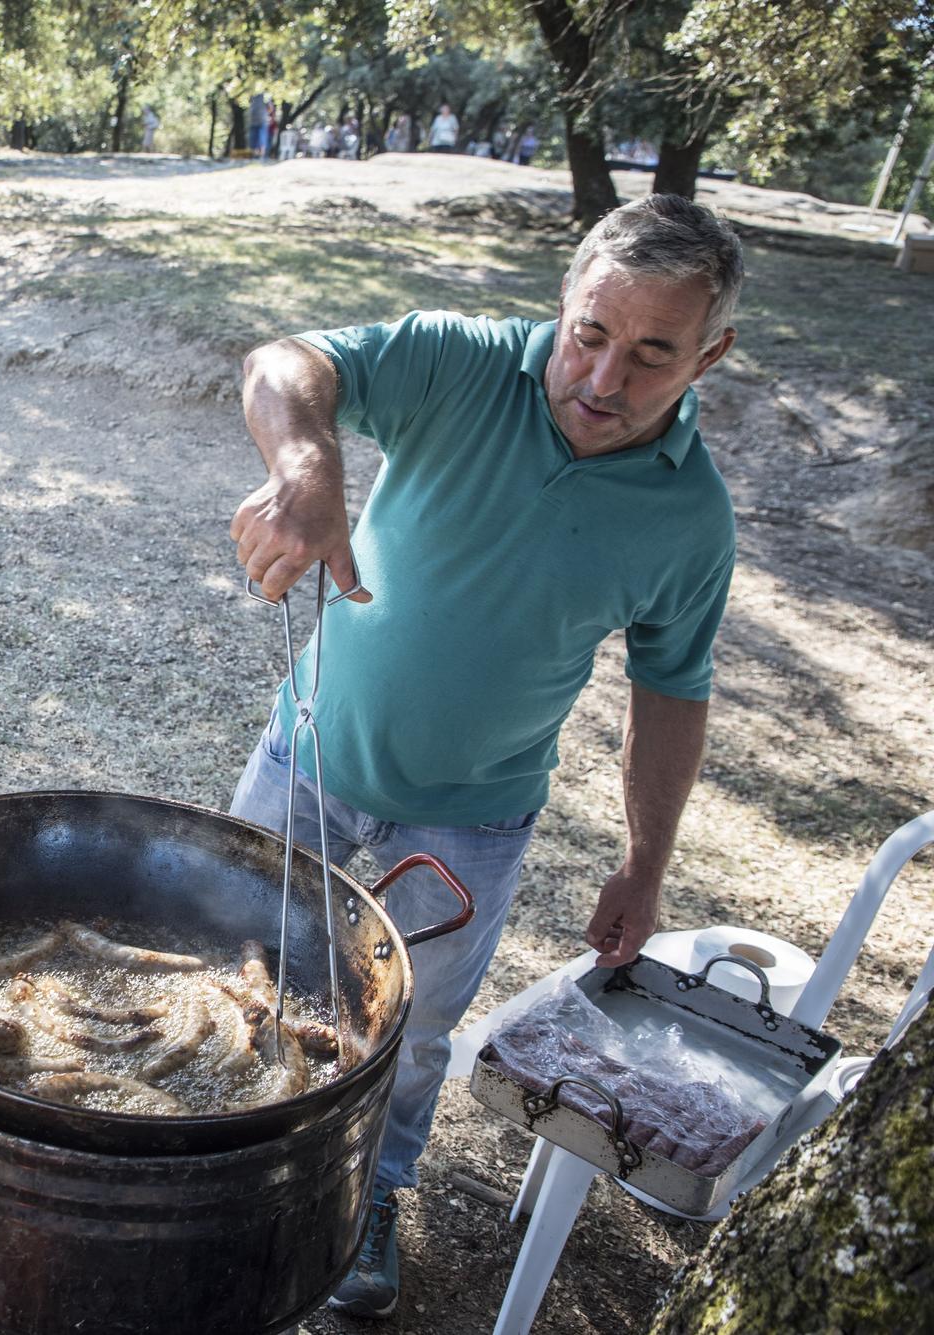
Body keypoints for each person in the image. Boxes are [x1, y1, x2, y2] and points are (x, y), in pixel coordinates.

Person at [225, 193, 743, 1318]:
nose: (602, 382)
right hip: (307, 754)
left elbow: (671, 688)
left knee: (405, 1034)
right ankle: (216, 1152)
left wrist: (644, 862)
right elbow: (283, 362)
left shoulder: (691, 519)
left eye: (653, 354)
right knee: (232, 962)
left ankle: (367, 1198)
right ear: (560, 305)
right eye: (589, 335)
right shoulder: (457, 363)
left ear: (712, 354)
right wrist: (309, 465)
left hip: (471, 818)